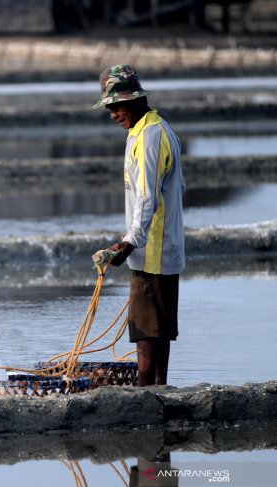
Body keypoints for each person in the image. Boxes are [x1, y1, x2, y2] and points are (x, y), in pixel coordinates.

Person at [91, 64, 185, 387]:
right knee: (158, 338)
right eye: (109, 108)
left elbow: (147, 198)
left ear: (132, 100)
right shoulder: (146, 130)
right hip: (155, 249)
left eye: (116, 107)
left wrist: (129, 242)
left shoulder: (150, 135)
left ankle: (147, 405)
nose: (113, 114)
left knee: (148, 339)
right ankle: (158, 399)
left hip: (152, 254)